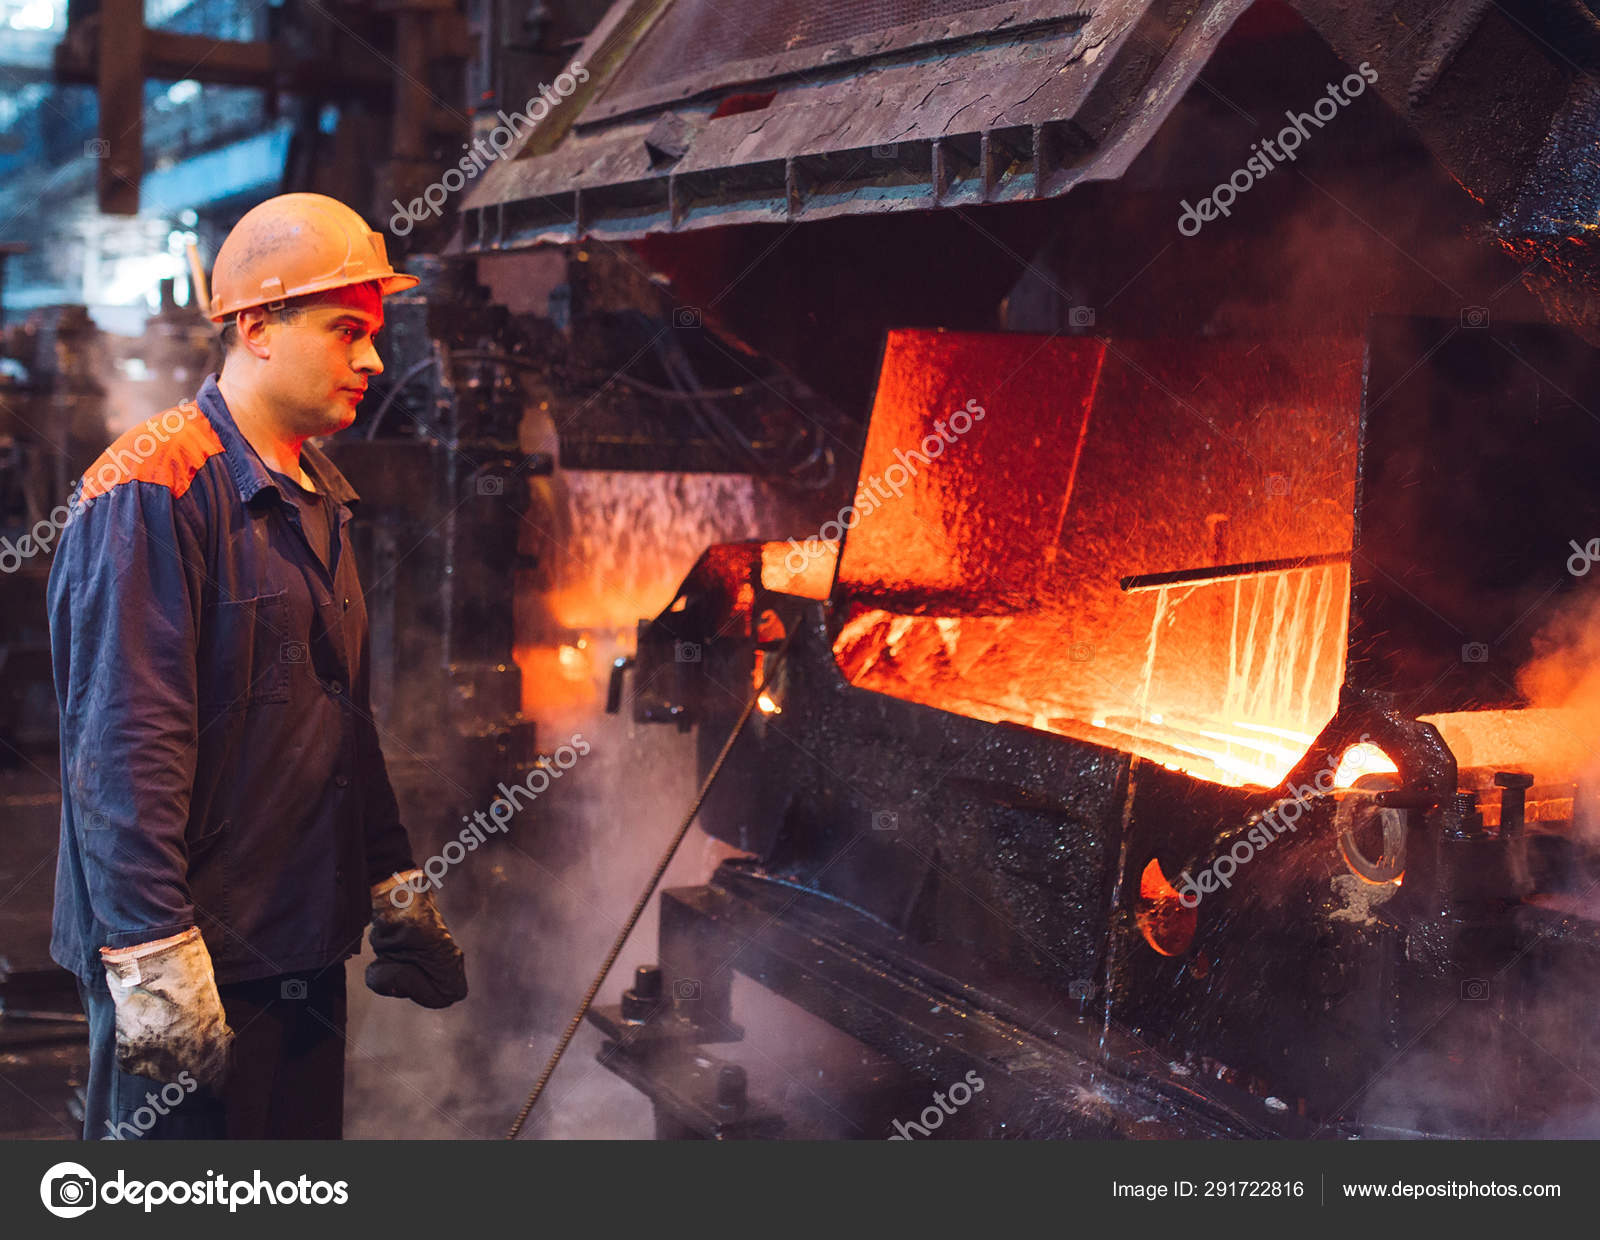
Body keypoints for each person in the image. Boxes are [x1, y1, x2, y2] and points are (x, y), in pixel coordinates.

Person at [47, 193, 467, 1141]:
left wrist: (389, 876)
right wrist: (154, 956)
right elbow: (122, 747)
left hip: (300, 947)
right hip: (191, 965)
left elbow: (341, 725)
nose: (372, 359)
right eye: (348, 329)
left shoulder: (317, 495)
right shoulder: (154, 486)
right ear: (255, 326)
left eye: (375, 334)